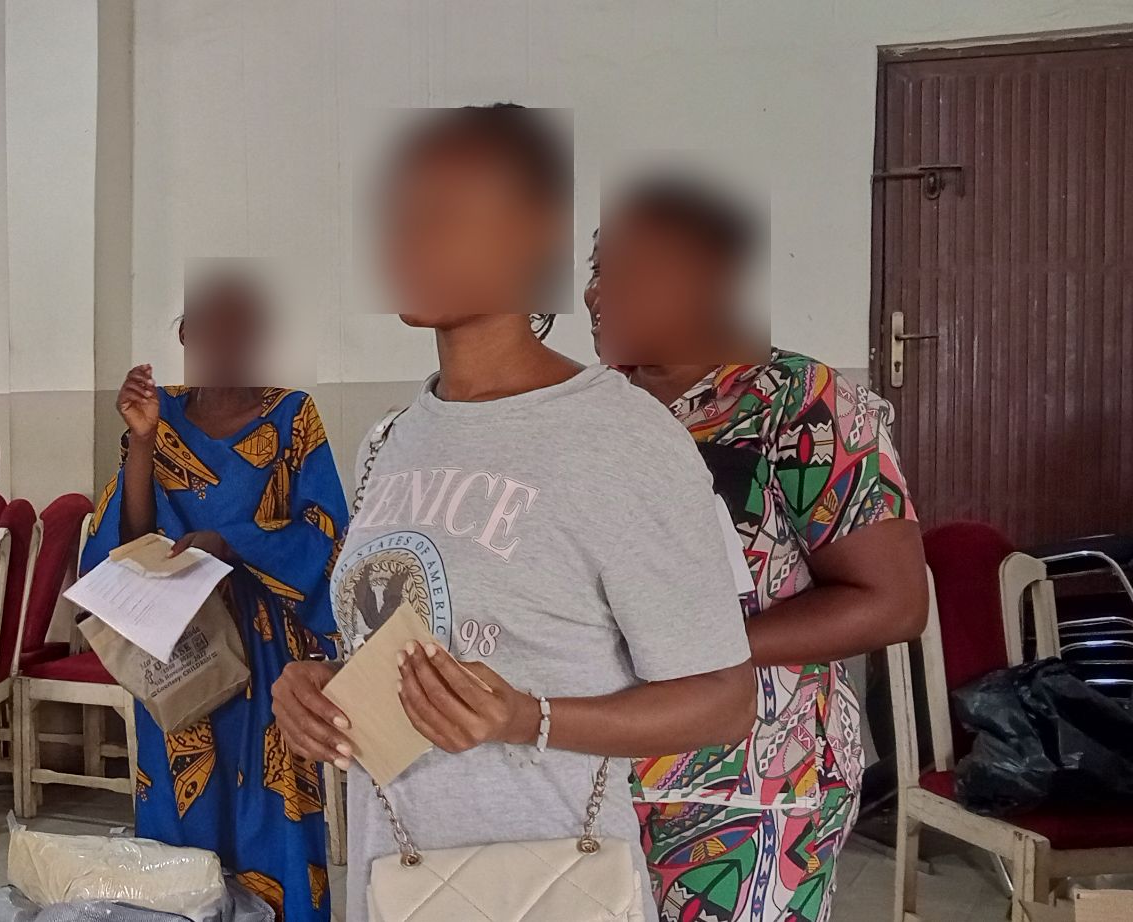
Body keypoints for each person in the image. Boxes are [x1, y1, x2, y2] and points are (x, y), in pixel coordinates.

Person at [268, 105, 760, 922]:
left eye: (444, 212)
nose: (407, 238)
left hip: (549, 881)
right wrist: (321, 690)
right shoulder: (391, 441)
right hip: (398, 878)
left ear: (536, 236)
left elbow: (724, 700)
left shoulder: (620, 435)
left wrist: (528, 718)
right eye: (398, 213)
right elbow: (412, 643)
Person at [588, 178, 926, 922]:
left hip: (754, 784)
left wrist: (700, 653)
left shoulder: (799, 402)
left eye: (633, 270)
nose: (599, 293)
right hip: (602, 778)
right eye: (598, 268)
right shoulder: (589, 413)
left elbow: (893, 601)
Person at [83, 272, 349, 922]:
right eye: (211, 325)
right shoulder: (160, 417)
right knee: (181, 819)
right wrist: (141, 440)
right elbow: (130, 542)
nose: (227, 340)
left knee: (274, 816)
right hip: (181, 649)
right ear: (185, 335)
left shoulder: (292, 415)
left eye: (242, 326)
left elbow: (327, 533)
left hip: (272, 660)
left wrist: (232, 544)